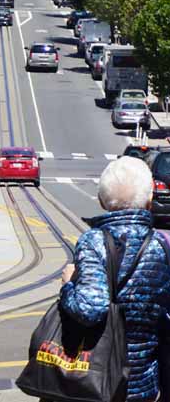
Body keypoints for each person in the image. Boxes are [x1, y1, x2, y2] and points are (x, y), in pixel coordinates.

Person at [59, 156, 170, 401]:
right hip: (144, 385)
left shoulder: (93, 241)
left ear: (101, 200)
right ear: (150, 201)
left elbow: (90, 308)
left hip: (98, 381)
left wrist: (68, 286)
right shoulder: (161, 245)